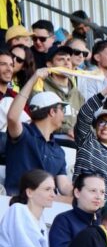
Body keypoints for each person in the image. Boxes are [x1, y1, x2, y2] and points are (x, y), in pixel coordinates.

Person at [5, 69, 72, 197]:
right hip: (19, 202)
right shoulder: (24, 134)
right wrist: (34, 78)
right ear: (52, 112)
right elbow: (12, 117)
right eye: (62, 109)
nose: (64, 115)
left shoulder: (59, 151)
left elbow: (64, 186)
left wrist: (84, 192)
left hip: (48, 203)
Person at [0, 169, 63, 247]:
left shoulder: (41, 220)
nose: (53, 194)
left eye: (54, 189)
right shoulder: (18, 210)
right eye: (47, 189)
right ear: (30, 192)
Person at [49, 172, 104, 247]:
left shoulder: (105, 222)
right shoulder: (63, 221)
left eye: (102, 192)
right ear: (77, 192)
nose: (98, 197)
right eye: (93, 191)